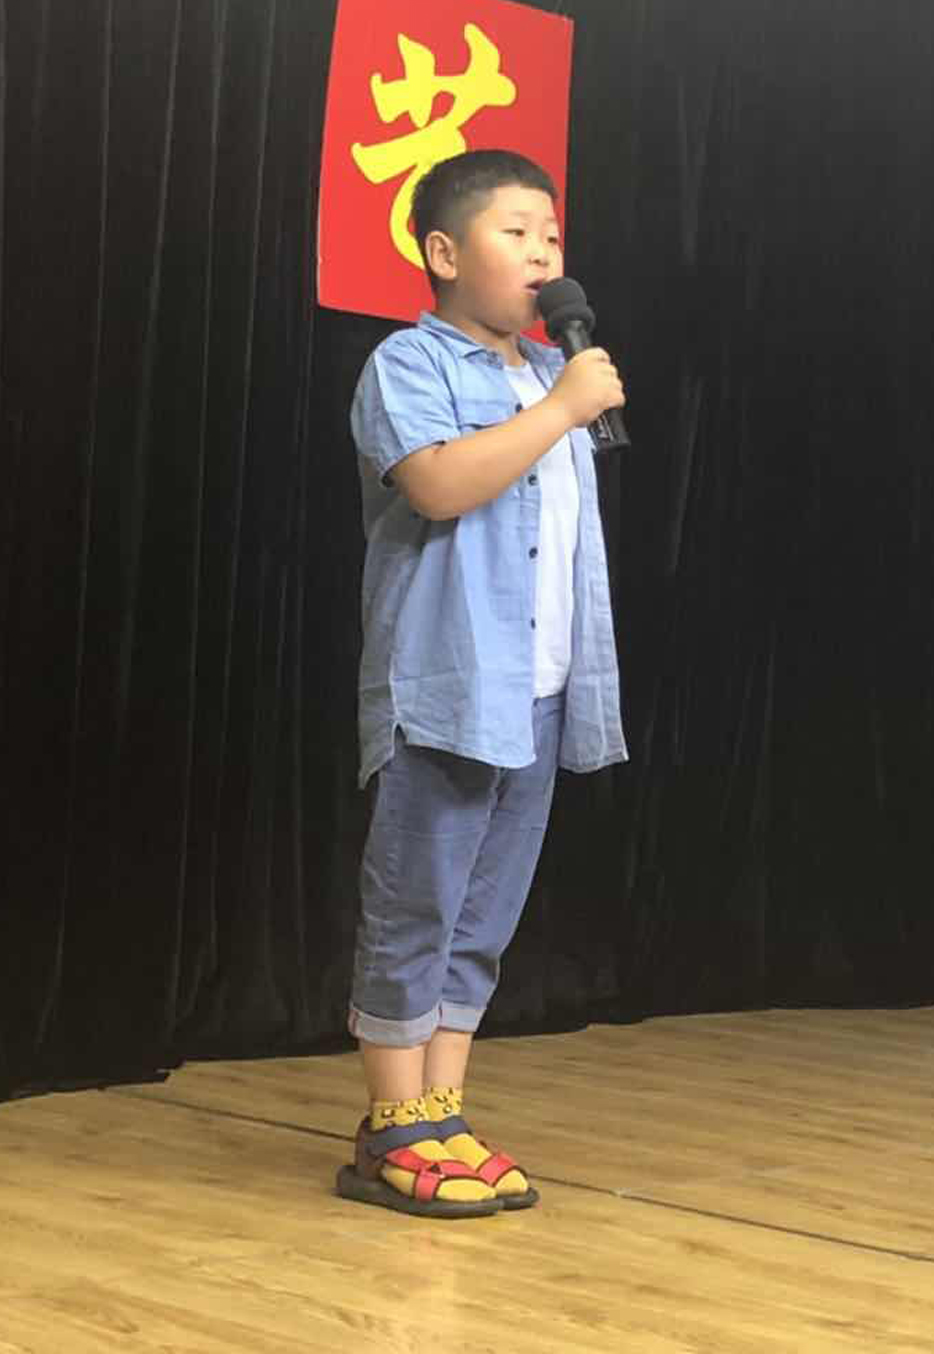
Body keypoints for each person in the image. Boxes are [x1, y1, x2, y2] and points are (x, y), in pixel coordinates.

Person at [338, 149, 628, 1217]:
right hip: (449, 685)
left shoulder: (548, 374)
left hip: (540, 692)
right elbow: (438, 486)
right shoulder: (408, 364)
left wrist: (559, 397)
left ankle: (441, 1111)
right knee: (415, 905)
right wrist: (561, 409)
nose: (543, 253)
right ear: (445, 252)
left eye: (551, 235)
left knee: (482, 918)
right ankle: (391, 1123)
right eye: (516, 232)